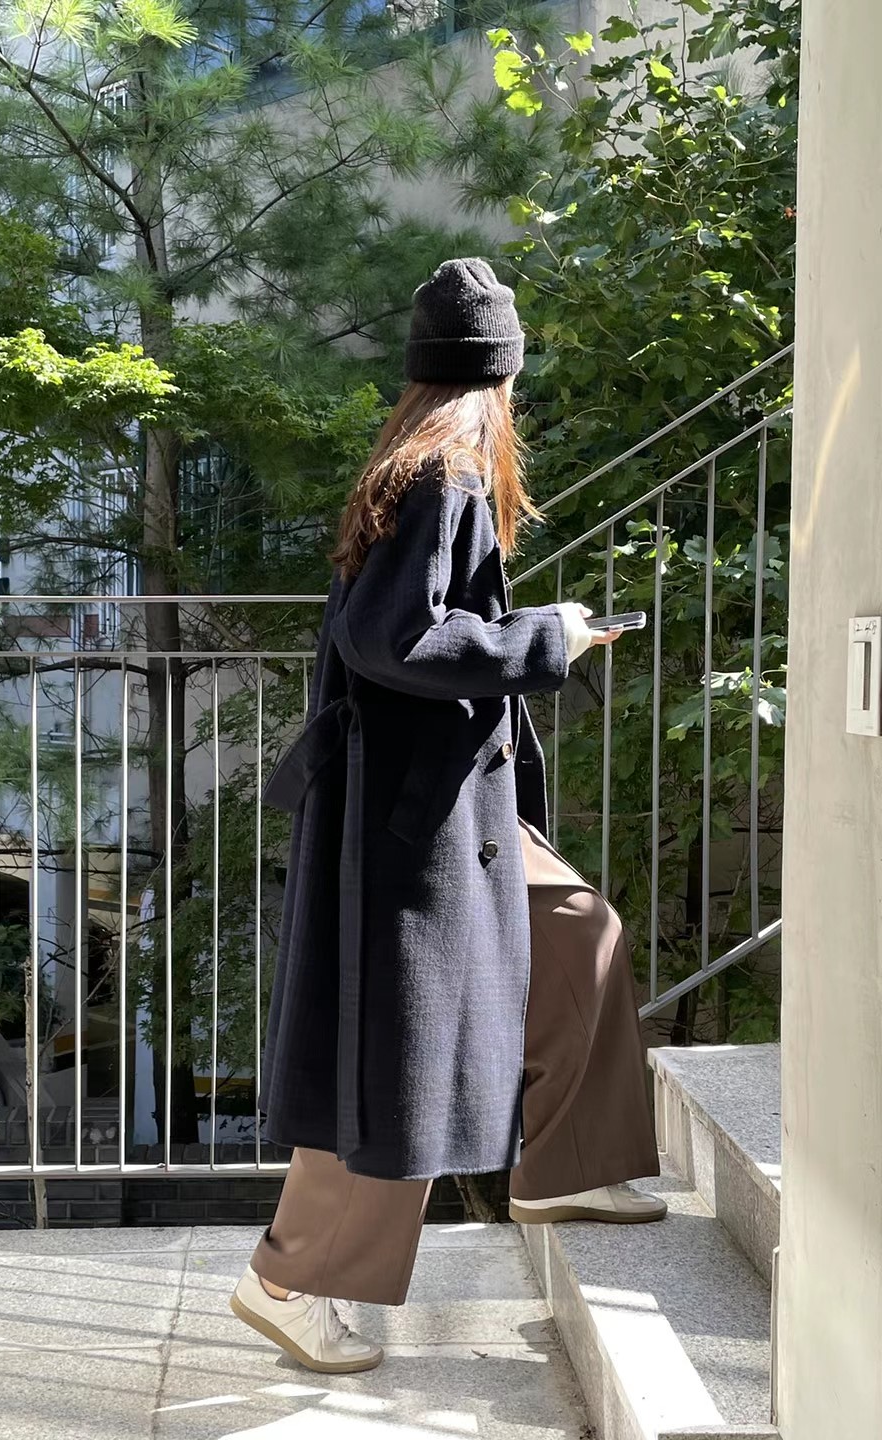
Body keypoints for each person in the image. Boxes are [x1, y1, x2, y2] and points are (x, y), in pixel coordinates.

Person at [229, 258, 664, 1375]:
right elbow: (396, 639)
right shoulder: (446, 475)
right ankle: (287, 1280)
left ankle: (563, 1167)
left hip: (449, 807)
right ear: (498, 378)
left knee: (576, 928)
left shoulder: (420, 464)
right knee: (400, 1056)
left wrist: (542, 632)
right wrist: (550, 637)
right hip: (413, 823)